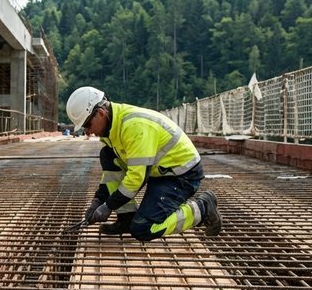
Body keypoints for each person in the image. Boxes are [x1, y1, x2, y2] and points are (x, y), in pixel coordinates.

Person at [66, 86, 221, 241]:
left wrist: (108, 206)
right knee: (107, 155)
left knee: (144, 229)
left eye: (87, 125)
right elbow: (112, 175)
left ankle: (202, 208)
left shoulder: (134, 127)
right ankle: (126, 219)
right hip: (161, 172)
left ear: (100, 113)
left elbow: (136, 179)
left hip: (181, 175)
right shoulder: (112, 126)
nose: (87, 132)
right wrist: (98, 200)